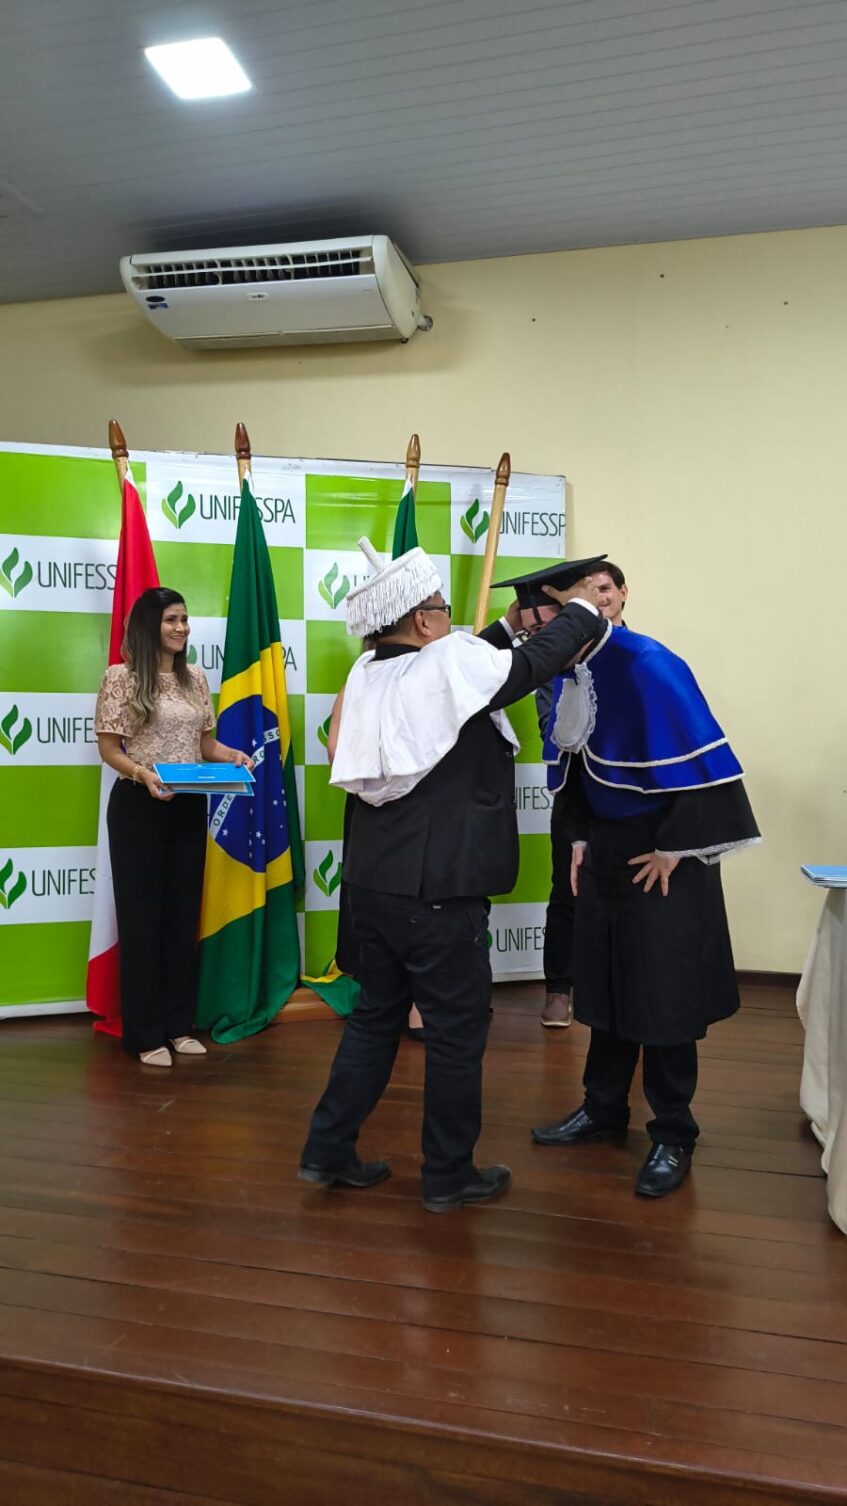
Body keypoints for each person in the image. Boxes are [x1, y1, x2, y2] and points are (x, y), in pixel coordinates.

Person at [299, 540, 607, 1212]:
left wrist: (507, 626)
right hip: (439, 892)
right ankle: (447, 1175)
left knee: (373, 1021)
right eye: (441, 608)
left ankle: (327, 1149)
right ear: (422, 620)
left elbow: (455, 673)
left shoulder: (366, 673)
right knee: (456, 1034)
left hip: (373, 887)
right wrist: (582, 610)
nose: (448, 617)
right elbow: (520, 669)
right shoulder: (441, 664)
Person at [530, 614, 760, 1197]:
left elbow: (705, 772)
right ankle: (602, 1108)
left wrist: (674, 848)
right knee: (605, 982)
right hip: (605, 851)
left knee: (664, 997)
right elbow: (575, 765)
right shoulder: (573, 674)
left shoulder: (649, 665)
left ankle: (674, 1132)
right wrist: (578, 838)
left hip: (665, 855)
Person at [94, 587, 253, 1067]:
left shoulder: (196, 677)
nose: (182, 628)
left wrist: (232, 756)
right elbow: (110, 749)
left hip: (188, 804)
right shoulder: (121, 677)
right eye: (171, 620)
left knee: (182, 917)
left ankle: (179, 1026)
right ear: (149, 625)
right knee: (142, 920)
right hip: (139, 804)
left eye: (184, 619)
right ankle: (145, 1034)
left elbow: (204, 746)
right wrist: (144, 774)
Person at [531, 560, 628, 1028]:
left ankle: (626, 988)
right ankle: (558, 989)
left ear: (623, 593)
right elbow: (550, 728)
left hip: (627, 797)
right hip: (575, 795)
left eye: (606, 588)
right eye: (591, 591)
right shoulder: (557, 658)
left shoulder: (641, 656)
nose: (601, 598)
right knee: (566, 891)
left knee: (629, 896)